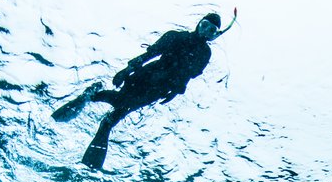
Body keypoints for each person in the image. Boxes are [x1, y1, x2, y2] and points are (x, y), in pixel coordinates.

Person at [53, 10, 235, 169]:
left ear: (214, 34)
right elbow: (150, 54)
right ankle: (96, 104)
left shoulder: (205, 54)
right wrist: (126, 70)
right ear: (198, 23)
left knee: (120, 105)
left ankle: (93, 95)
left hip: (159, 89)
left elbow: (187, 76)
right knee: (118, 108)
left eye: (211, 30)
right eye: (204, 25)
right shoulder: (176, 36)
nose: (205, 31)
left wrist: (176, 91)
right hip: (146, 76)